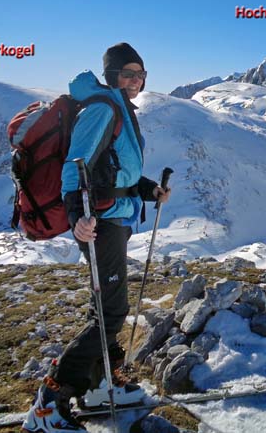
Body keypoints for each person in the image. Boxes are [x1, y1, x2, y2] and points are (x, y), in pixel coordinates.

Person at [23, 43, 171, 433]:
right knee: (111, 313)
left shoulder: (119, 109)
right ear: (111, 76)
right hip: (99, 223)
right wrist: (77, 217)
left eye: (141, 74)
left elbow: (115, 171)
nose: (136, 81)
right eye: (128, 74)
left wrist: (148, 189)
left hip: (113, 219)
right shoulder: (103, 110)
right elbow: (76, 167)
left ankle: (101, 381)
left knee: (105, 307)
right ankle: (48, 402)